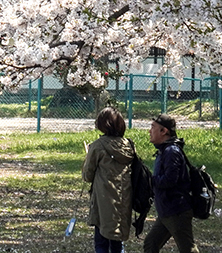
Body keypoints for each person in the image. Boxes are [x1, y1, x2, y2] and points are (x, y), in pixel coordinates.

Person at [82, 106, 138, 253]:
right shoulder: (128, 145)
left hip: (103, 199)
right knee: (117, 239)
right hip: (123, 197)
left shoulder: (98, 146)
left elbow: (87, 176)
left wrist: (88, 156)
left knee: (101, 241)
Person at [144, 113, 199, 253]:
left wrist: (149, 180)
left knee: (188, 249)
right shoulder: (164, 150)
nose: (150, 131)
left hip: (176, 210)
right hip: (166, 211)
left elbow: (170, 180)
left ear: (164, 131)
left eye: (153, 127)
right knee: (151, 243)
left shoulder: (171, 151)